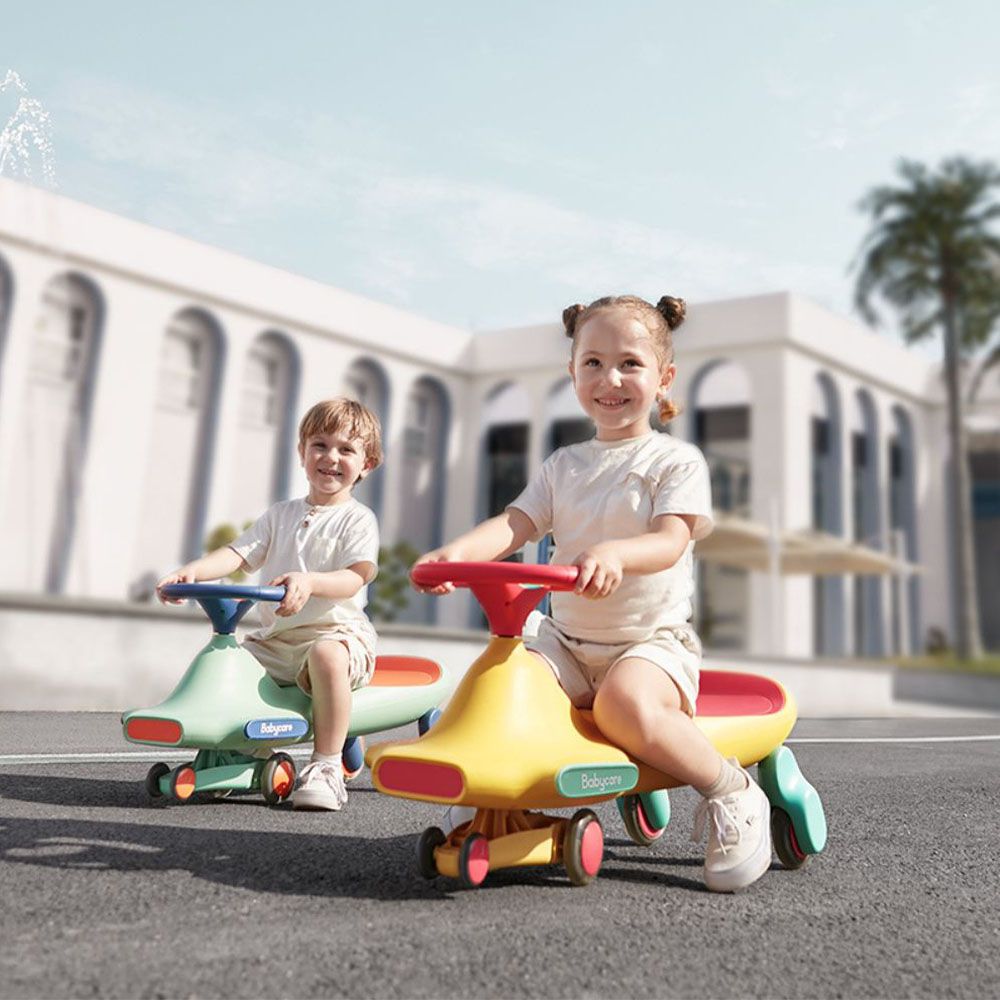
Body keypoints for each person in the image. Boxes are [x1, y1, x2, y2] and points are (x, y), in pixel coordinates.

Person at [414, 294, 772, 892]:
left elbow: (669, 540)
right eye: (594, 363)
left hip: (650, 641)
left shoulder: (675, 461)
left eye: (631, 364)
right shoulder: (563, 465)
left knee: (623, 706)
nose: (611, 380)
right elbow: (515, 525)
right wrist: (457, 555)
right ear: (573, 372)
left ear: (664, 378)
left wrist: (615, 554)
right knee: (498, 679)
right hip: (567, 641)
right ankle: (496, 798)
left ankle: (731, 791)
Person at [158, 398, 382, 812]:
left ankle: (327, 765)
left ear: (366, 464)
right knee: (231, 665)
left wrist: (310, 581)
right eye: (320, 445)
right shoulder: (280, 514)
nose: (330, 458)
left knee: (326, 655)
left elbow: (356, 575)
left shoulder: (358, 519)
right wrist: (194, 572)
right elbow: (239, 554)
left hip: (338, 634)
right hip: (278, 639)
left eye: (346, 450)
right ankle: (237, 751)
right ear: (302, 453)